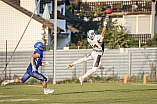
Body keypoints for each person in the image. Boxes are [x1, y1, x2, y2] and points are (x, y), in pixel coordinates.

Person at [66, 21, 107, 86]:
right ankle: (82, 77)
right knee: (94, 69)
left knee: (84, 59)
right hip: (98, 54)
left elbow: (93, 42)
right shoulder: (97, 37)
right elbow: (103, 33)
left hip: (93, 52)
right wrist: (105, 25)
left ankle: (72, 64)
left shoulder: (89, 39)